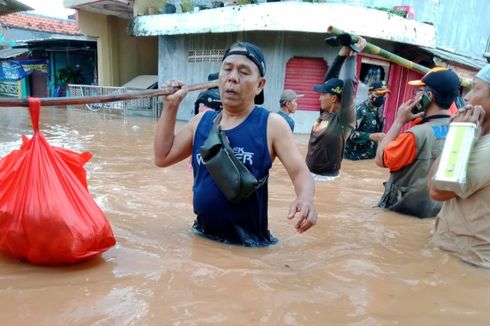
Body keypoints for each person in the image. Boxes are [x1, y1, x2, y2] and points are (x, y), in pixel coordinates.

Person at [154, 41, 317, 247]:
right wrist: (170, 106)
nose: (232, 77)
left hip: (249, 245)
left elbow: (300, 172)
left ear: (260, 85)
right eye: (227, 69)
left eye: (243, 72)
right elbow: (162, 157)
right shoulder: (200, 122)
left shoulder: (271, 125)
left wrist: (305, 198)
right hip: (202, 237)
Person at [375, 68, 460, 218]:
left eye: (418, 92)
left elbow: (380, 159)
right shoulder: (458, 130)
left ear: (428, 96)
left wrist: (399, 121)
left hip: (401, 215)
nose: (414, 97)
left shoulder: (415, 135)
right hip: (434, 214)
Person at [429, 64, 490, 267]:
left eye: (476, 88)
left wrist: (458, 134)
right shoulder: (482, 138)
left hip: (466, 261)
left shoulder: (487, 149)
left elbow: (436, 190)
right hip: (459, 257)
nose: (466, 97)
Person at [305, 35, 367, 181]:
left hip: (325, 179)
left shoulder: (343, 119)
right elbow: (328, 79)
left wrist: (353, 55)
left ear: (333, 98)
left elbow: (348, 82)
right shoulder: (325, 112)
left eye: (323, 94)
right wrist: (342, 54)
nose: (319, 97)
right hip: (308, 173)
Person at [344, 81, 390, 160]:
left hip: (370, 159)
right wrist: (370, 136)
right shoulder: (358, 110)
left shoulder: (379, 112)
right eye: (378, 94)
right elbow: (349, 134)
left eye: (383, 95)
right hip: (354, 158)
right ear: (369, 94)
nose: (381, 98)